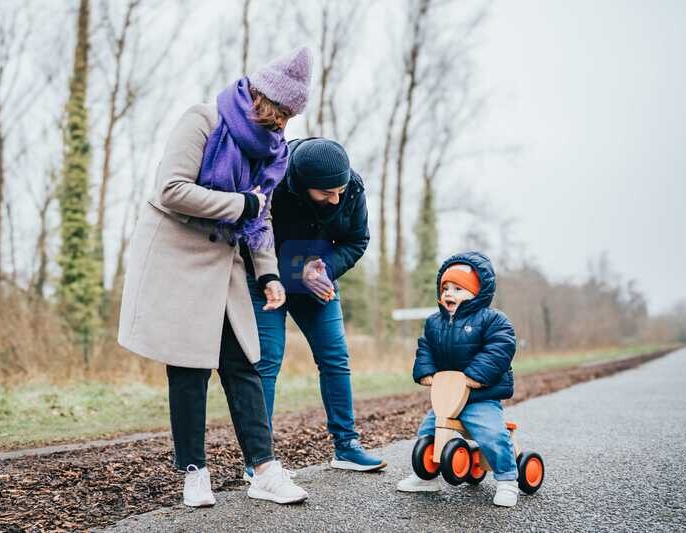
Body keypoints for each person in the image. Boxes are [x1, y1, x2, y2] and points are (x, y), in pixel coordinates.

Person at [118, 46, 313, 507]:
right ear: (262, 97)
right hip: (177, 253)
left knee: (243, 363)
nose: (284, 123)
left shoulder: (273, 151)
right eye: (281, 111)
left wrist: (268, 274)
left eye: (292, 116)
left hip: (225, 261)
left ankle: (264, 471)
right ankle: (194, 473)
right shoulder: (203, 120)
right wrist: (239, 204)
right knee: (187, 368)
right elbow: (171, 189)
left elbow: (260, 215)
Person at [243, 138, 386, 479]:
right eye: (326, 193)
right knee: (267, 361)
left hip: (318, 278)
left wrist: (324, 268)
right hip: (267, 279)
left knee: (335, 357)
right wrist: (296, 270)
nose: (336, 198)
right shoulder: (270, 179)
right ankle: (258, 461)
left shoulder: (351, 189)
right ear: (301, 184)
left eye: (340, 188)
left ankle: (347, 446)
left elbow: (357, 240)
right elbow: (252, 237)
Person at [396, 251, 520, 508]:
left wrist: (475, 376)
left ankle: (508, 479)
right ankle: (427, 476)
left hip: (479, 396)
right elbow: (426, 347)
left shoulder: (493, 320)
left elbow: (499, 349)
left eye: (458, 288)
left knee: (491, 433)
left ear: (477, 292)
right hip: (447, 396)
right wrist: (426, 371)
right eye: (445, 288)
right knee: (428, 430)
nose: (449, 293)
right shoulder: (434, 323)